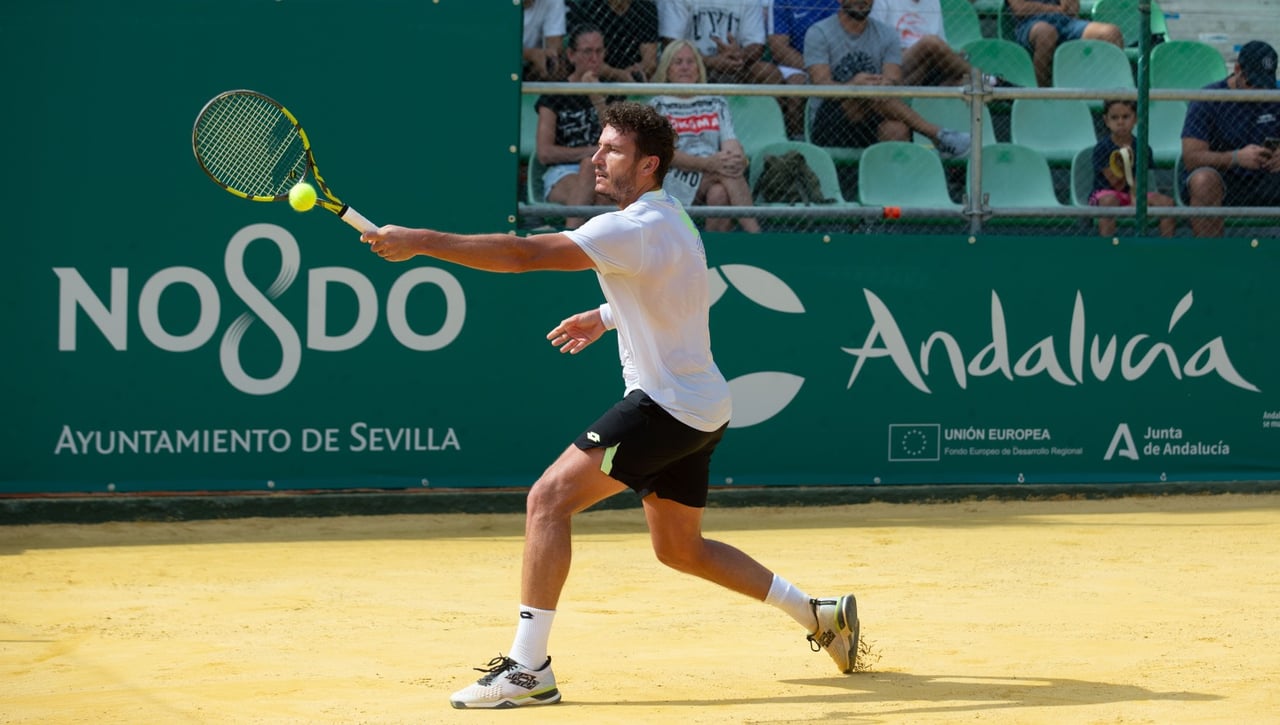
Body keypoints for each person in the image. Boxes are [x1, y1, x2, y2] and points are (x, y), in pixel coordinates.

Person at [360, 101, 860, 708]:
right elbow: (674, 289)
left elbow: (521, 255)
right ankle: (818, 613)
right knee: (680, 549)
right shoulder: (668, 215)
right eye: (597, 146)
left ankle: (527, 670)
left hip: (663, 406)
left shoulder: (632, 227)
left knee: (547, 500)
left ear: (648, 164)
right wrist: (606, 316)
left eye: (611, 150)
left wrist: (420, 242)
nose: (594, 158)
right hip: (703, 409)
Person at [805, 0, 971, 157]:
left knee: (897, 130)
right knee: (867, 90)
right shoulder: (819, 32)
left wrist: (886, 83)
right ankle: (937, 135)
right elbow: (822, 84)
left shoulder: (887, 34)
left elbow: (893, 78)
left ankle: (891, 186)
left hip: (873, 114)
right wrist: (853, 86)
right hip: (830, 119)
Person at [649, 40, 762, 233]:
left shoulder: (715, 101)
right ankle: (756, 234)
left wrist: (734, 156)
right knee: (725, 171)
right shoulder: (658, 105)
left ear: (699, 67)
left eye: (690, 62)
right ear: (667, 70)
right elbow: (666, 153)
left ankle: (709, 253)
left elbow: (730, 140)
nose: (685, 67)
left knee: (720, 194)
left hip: (716, 168)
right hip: (675, 177)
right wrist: (708, 164)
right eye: (678, 62)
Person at [1181, 40, 1280, 238]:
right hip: (1226, 178)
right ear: (1237, 70)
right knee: (1203, 181)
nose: (1258, 91)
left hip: (1267, 176)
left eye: (1264, 85)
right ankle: (1210, 258)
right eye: (1252, 83)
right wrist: (1235, 158)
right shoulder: (1208, 98)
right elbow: (1191, 157)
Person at [534, 24, 620, 229]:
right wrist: (590, 153)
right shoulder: (555, 95)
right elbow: (544, 153)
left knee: (599, 189)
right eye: (587, 52)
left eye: (599, 51)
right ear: (571, 55)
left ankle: (568, 241)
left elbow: (617, 140)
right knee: (593, 177)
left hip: (606, 170)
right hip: (562, 172)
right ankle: (574, 240)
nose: (594, 58)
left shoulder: (615, 91)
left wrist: (596, 96)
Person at [871, 0, 1019, 87]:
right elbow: (878, 47)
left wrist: (951, 55)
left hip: (928, 67)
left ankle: (968, 137)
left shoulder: (932, 2)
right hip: (896, 67)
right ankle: (989, 81)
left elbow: (940, 43)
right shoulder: (882, 2)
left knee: (964, 84)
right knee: (930, 43)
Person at [1089, 99, 1176, 238]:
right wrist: (1125, 161)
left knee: (1167, 203)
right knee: (1108, 202)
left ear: (1135, 118)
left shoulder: (1143, 148)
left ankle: (1164, 250)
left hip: (1136, 192)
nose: (1120, 122)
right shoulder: (1102, 148)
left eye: (1126, 117)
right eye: (1114, 118)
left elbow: (1141, 180)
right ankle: (1108, 249)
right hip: (1107, 192)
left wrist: (1135, 198)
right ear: (1106, 120)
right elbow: (1116, 183)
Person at [659, 0, 785, 85]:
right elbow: (671, 40)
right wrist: (708, 61)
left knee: (768, 72)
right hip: (692, 64)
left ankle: (757, 123)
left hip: (735, 67)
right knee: (679, 66)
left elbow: (756, 44)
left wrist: (739, 56)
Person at [767, 0, 841, 138]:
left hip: (836, 61)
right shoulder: (782, 1)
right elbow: (778, 47)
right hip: (797, 65)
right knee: (797, 84)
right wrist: (815, 67)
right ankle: (798, 140)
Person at [1004, 0, 1122, 87]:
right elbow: (1020, 8)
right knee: (1046, 34)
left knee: (1111, 33)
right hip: (1031, 24)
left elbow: (1072, 9)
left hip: (1066, 23)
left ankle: (1115, 97)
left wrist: (1061, 9)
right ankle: (1040, 95)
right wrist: (1057, 9)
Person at [568, 0, 660, 82]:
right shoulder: (589, 7)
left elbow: (650, 62)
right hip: (594, 79)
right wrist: (620, 74)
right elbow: (586, 60)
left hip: (634, 80)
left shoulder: (645, 9)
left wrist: (636, 72)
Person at [524, 0, 568, 81]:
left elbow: (554, 46)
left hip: (531, 67)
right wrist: (530, 54)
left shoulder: (554, 1)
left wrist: (552, 60)